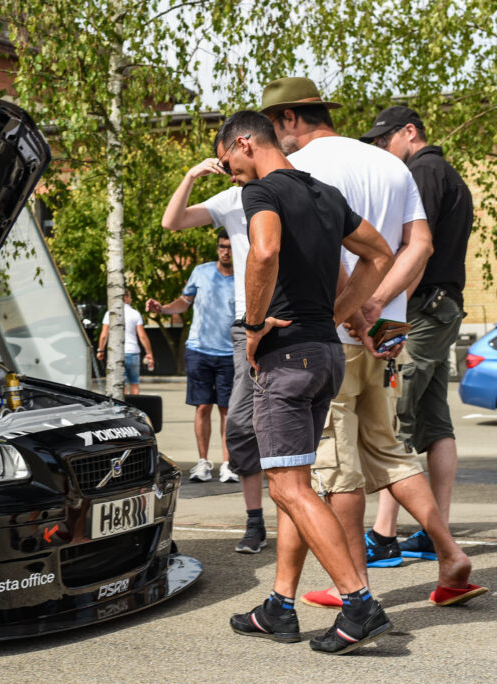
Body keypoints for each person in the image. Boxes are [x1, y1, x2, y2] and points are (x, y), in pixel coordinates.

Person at [260, 77, 484, 609]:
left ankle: (352, 588)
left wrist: (353, 310)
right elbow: (419, 245)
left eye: (273, 126)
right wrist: (380, 306)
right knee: (388, 450)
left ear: (290, 118)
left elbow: (326, 251)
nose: (274, 139)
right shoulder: (391, 164)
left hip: (330, 332)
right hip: (388, 332)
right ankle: (449, 555)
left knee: (338, 465)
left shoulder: (304, 170)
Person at [216, 109, 397, 654]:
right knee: (292, 481)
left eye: (228, 164)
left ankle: (359, 603)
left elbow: (265, 251)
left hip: (286, 357)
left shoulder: (262, 193)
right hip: (324, 355)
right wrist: (338, 314)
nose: (231, 176)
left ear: (244, 143)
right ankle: (280, 605)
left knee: (288, 486)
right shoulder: (324, 193)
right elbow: (380, 254)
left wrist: (252, 327)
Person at [360, 106, 474, 562]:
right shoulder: (448, 174)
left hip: (421, 309)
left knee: (396, 418)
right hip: (441, 307)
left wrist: (392, 317)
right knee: (434, 419)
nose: (382, 150)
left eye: (385, 140)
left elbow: (417, 250)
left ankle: (383, 537)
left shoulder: (422, 172)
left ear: (409, 132)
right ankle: (433, 529)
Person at [161, 165, 266, 552]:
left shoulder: (301, 186)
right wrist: (188, 176)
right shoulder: (230, 201)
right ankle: (252, 517)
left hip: (293, 324)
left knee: (292, 428)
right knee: (235, 421)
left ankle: (299, 517)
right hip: (233, 336)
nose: (230, 171)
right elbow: (172, 221)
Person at [146, 230, 237, 485]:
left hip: (229, 353)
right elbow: (184, 302)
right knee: (203, 407)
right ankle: (203, 463)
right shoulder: (201, 271)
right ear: (217, 248)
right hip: (199, 351)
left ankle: (228, 465)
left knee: (227, 410)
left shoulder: (244, 274)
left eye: (229, 247)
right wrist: (163, 309)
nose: (225, 251)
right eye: (222, 246)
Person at [96, 291, 154, 395]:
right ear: (126, 298)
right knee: (134, 383)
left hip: (116, 352)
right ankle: (135, 408)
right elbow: (142, 336)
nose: (131, 299)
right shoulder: (135, 313)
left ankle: (124, 409)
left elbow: (104, 335)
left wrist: (100, 350)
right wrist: (149, 353)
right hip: (133, 352)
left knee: (121, 384)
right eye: (131, 297)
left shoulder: (110, 313)